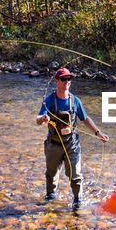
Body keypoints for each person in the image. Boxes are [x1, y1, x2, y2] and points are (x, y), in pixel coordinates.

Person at [37, 67, 109, 210]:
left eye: (69, 79)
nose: (67, 82)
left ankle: (77, 202)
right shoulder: (49, 100)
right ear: (56, 81)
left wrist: (98, 133)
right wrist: (43, 119)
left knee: (75, 175)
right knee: (51, 174)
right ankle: (50, 200)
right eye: (64, 79)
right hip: (53, 144)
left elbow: (85, 118)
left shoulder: (75, 100)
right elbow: (38, 119)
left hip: (72, 144)